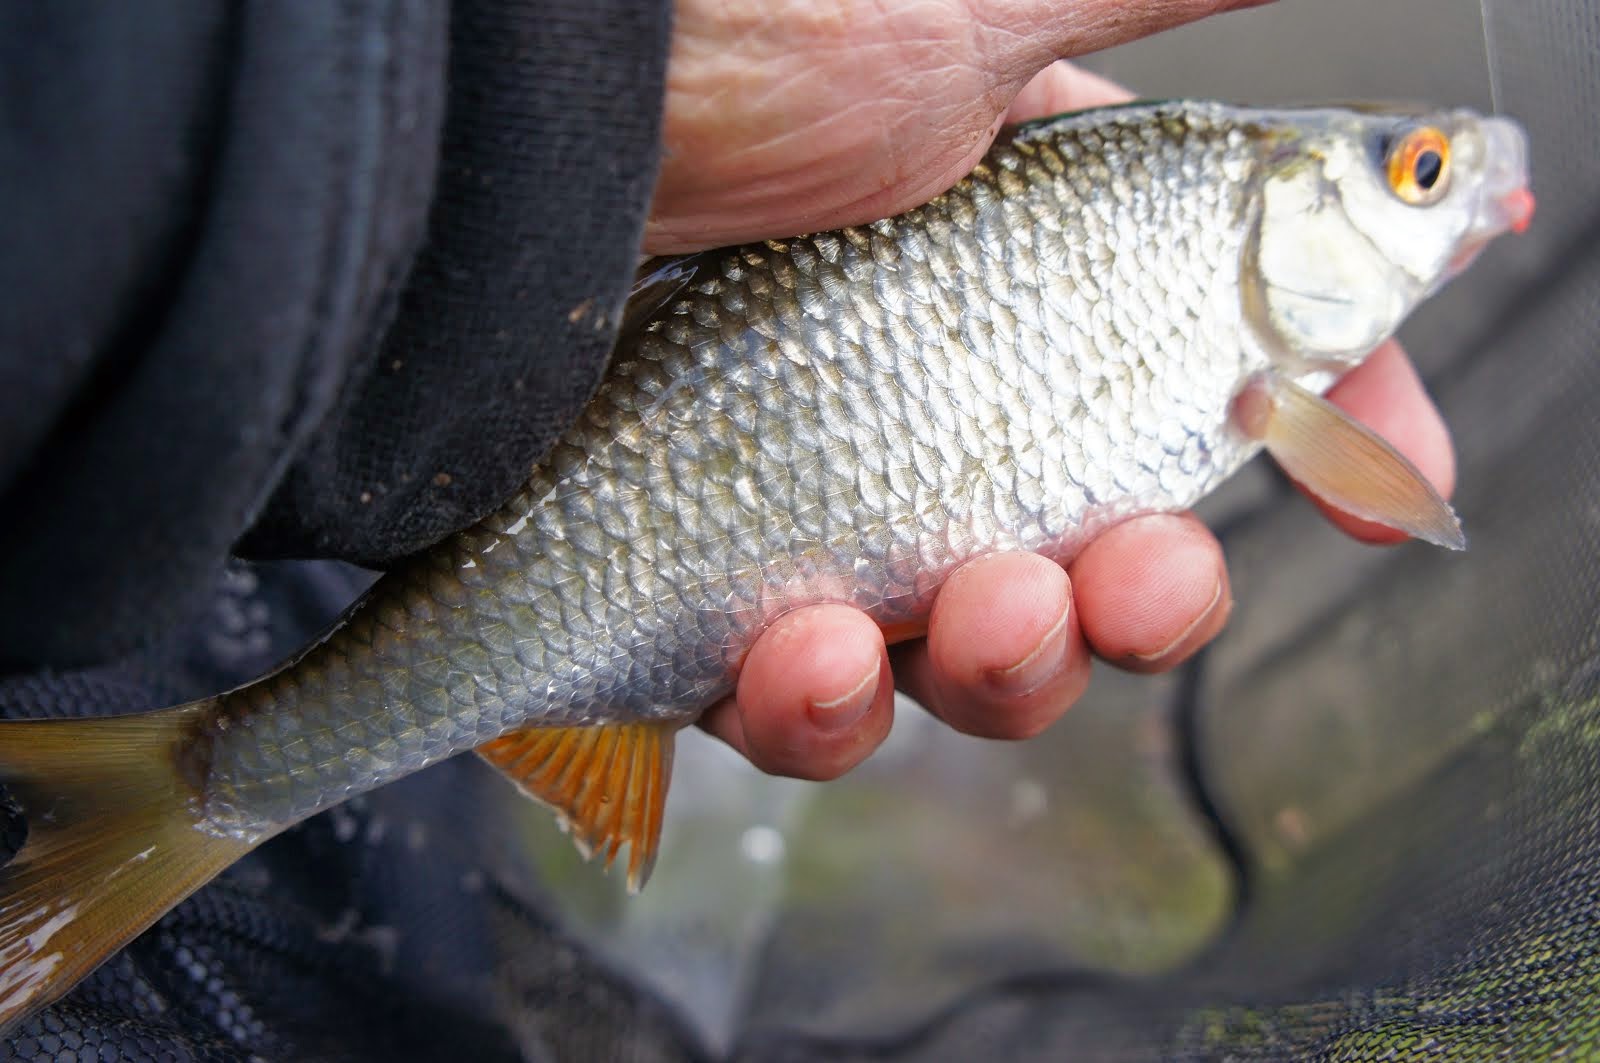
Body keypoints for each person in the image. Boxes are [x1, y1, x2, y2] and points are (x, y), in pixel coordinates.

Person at [0, 0, 1455, 1051]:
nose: (1462, 187)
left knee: (909, 653)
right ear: (1287, 202)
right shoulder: (1254, 338)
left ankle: (190, 788)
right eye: (1420, 174)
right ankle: (201, 786)